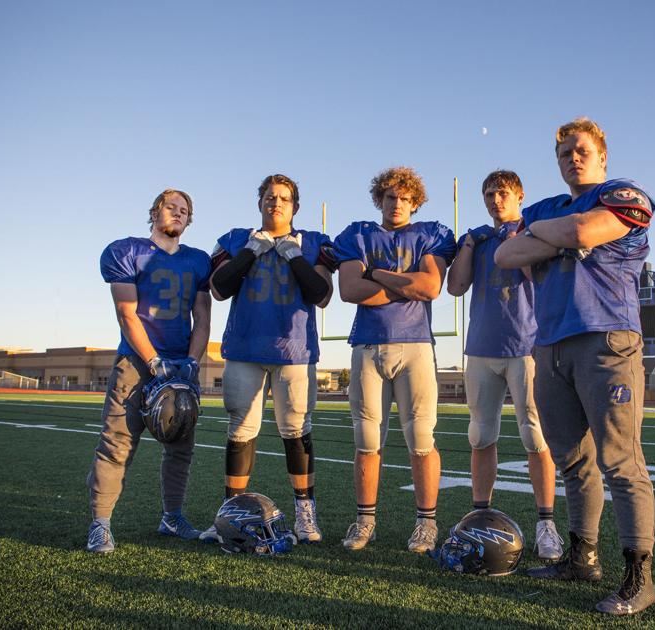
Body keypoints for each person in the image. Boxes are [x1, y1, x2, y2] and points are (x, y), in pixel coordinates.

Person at [494, 117, 655, 615]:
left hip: (606, 339)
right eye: (564, 153)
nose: (573, 158)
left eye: (581, 150)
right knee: (571, 458)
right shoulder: (546, 208)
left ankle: (639, 575)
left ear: (602, 156)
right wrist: (560, 233)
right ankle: (582, 557)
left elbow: (587, 227)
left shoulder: (625, 193)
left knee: (620, 461)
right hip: (551, 342)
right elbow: (506, 253)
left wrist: (555, 233)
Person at [202, 174, 335, 545]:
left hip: (294, 350)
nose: (276, 203)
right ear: (259, 201)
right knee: (240, 430)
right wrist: (251, 252)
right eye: (269, 196)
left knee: (296, 430)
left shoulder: (311, 243)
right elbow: (219, 288)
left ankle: (305, 514)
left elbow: (322, 294)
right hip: (245, 348)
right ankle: (230, 512)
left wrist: (293, 257)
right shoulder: (236, 239)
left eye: (284, 198)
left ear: (294, 206)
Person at [334, 166, 456, 553]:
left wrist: (377, 273)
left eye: (405, 197)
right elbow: (351, 289)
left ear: (415, 201)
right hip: (368, 345)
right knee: (366, 439)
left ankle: (427, 524)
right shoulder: (357, 234)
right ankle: (364, 521)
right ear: (379, 199)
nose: (397, 203)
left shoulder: (429, 233)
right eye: (390, 196)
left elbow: (431, 287)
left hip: (416, 344)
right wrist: (405, 286)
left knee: (421, 437)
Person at [446, 169, 564, 563]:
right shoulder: (478, 241)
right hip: (481, 346)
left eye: (503, 193)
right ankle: (481, 514)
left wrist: (520, 242)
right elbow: (456, 286)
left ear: (519, 196)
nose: (496, 200)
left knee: (535, 436)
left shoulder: (533, 232)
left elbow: (540, 278)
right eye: (489, 193)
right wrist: (466, 244)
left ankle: (546, 523)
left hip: (526, 345)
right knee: (481, 435)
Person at [87, 189, 212, 553]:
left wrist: (191, 362)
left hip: (181, 363)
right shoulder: (128, 251)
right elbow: (127, 314)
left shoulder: (198, 261)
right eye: (171, 207)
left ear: (189, 220)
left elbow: (202, 318)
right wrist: (154, 361)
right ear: (154, 212)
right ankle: (100, 523)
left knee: (180, 446)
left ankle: (172, 517)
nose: (178, 213)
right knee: (117, 443)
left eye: (184, 210)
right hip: (136, 363)